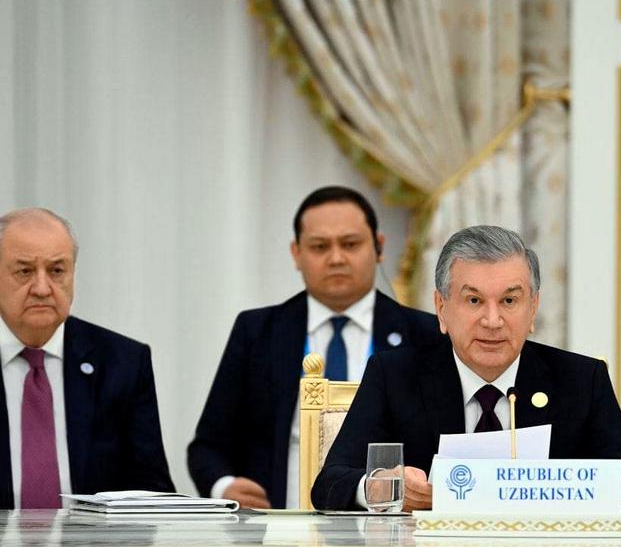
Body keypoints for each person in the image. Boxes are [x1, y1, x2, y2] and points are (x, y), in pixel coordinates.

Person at [312, 225, 621, 511]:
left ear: (533, 308)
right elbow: (330, 484)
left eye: (509, 300)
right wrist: (383, 488)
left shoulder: (580, 380)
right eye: (474, 300)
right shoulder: (394, 375)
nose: (493, 320)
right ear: (441, 308)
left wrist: (553, 487)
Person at [187, 186, 440, 509]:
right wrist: (224, 487)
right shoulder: (258, 332)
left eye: (350, 244)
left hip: (390, 523)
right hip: (278, 523)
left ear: (379, 247)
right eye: (320, 247)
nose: (336, 258)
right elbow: (208, 447)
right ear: (296, 253)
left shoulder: (424, 334)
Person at [0, 208, 174, 509]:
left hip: (93, 540)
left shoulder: (122, 363)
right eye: (24, 271)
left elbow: (150, 492)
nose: (42, 288)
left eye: (56, 271)